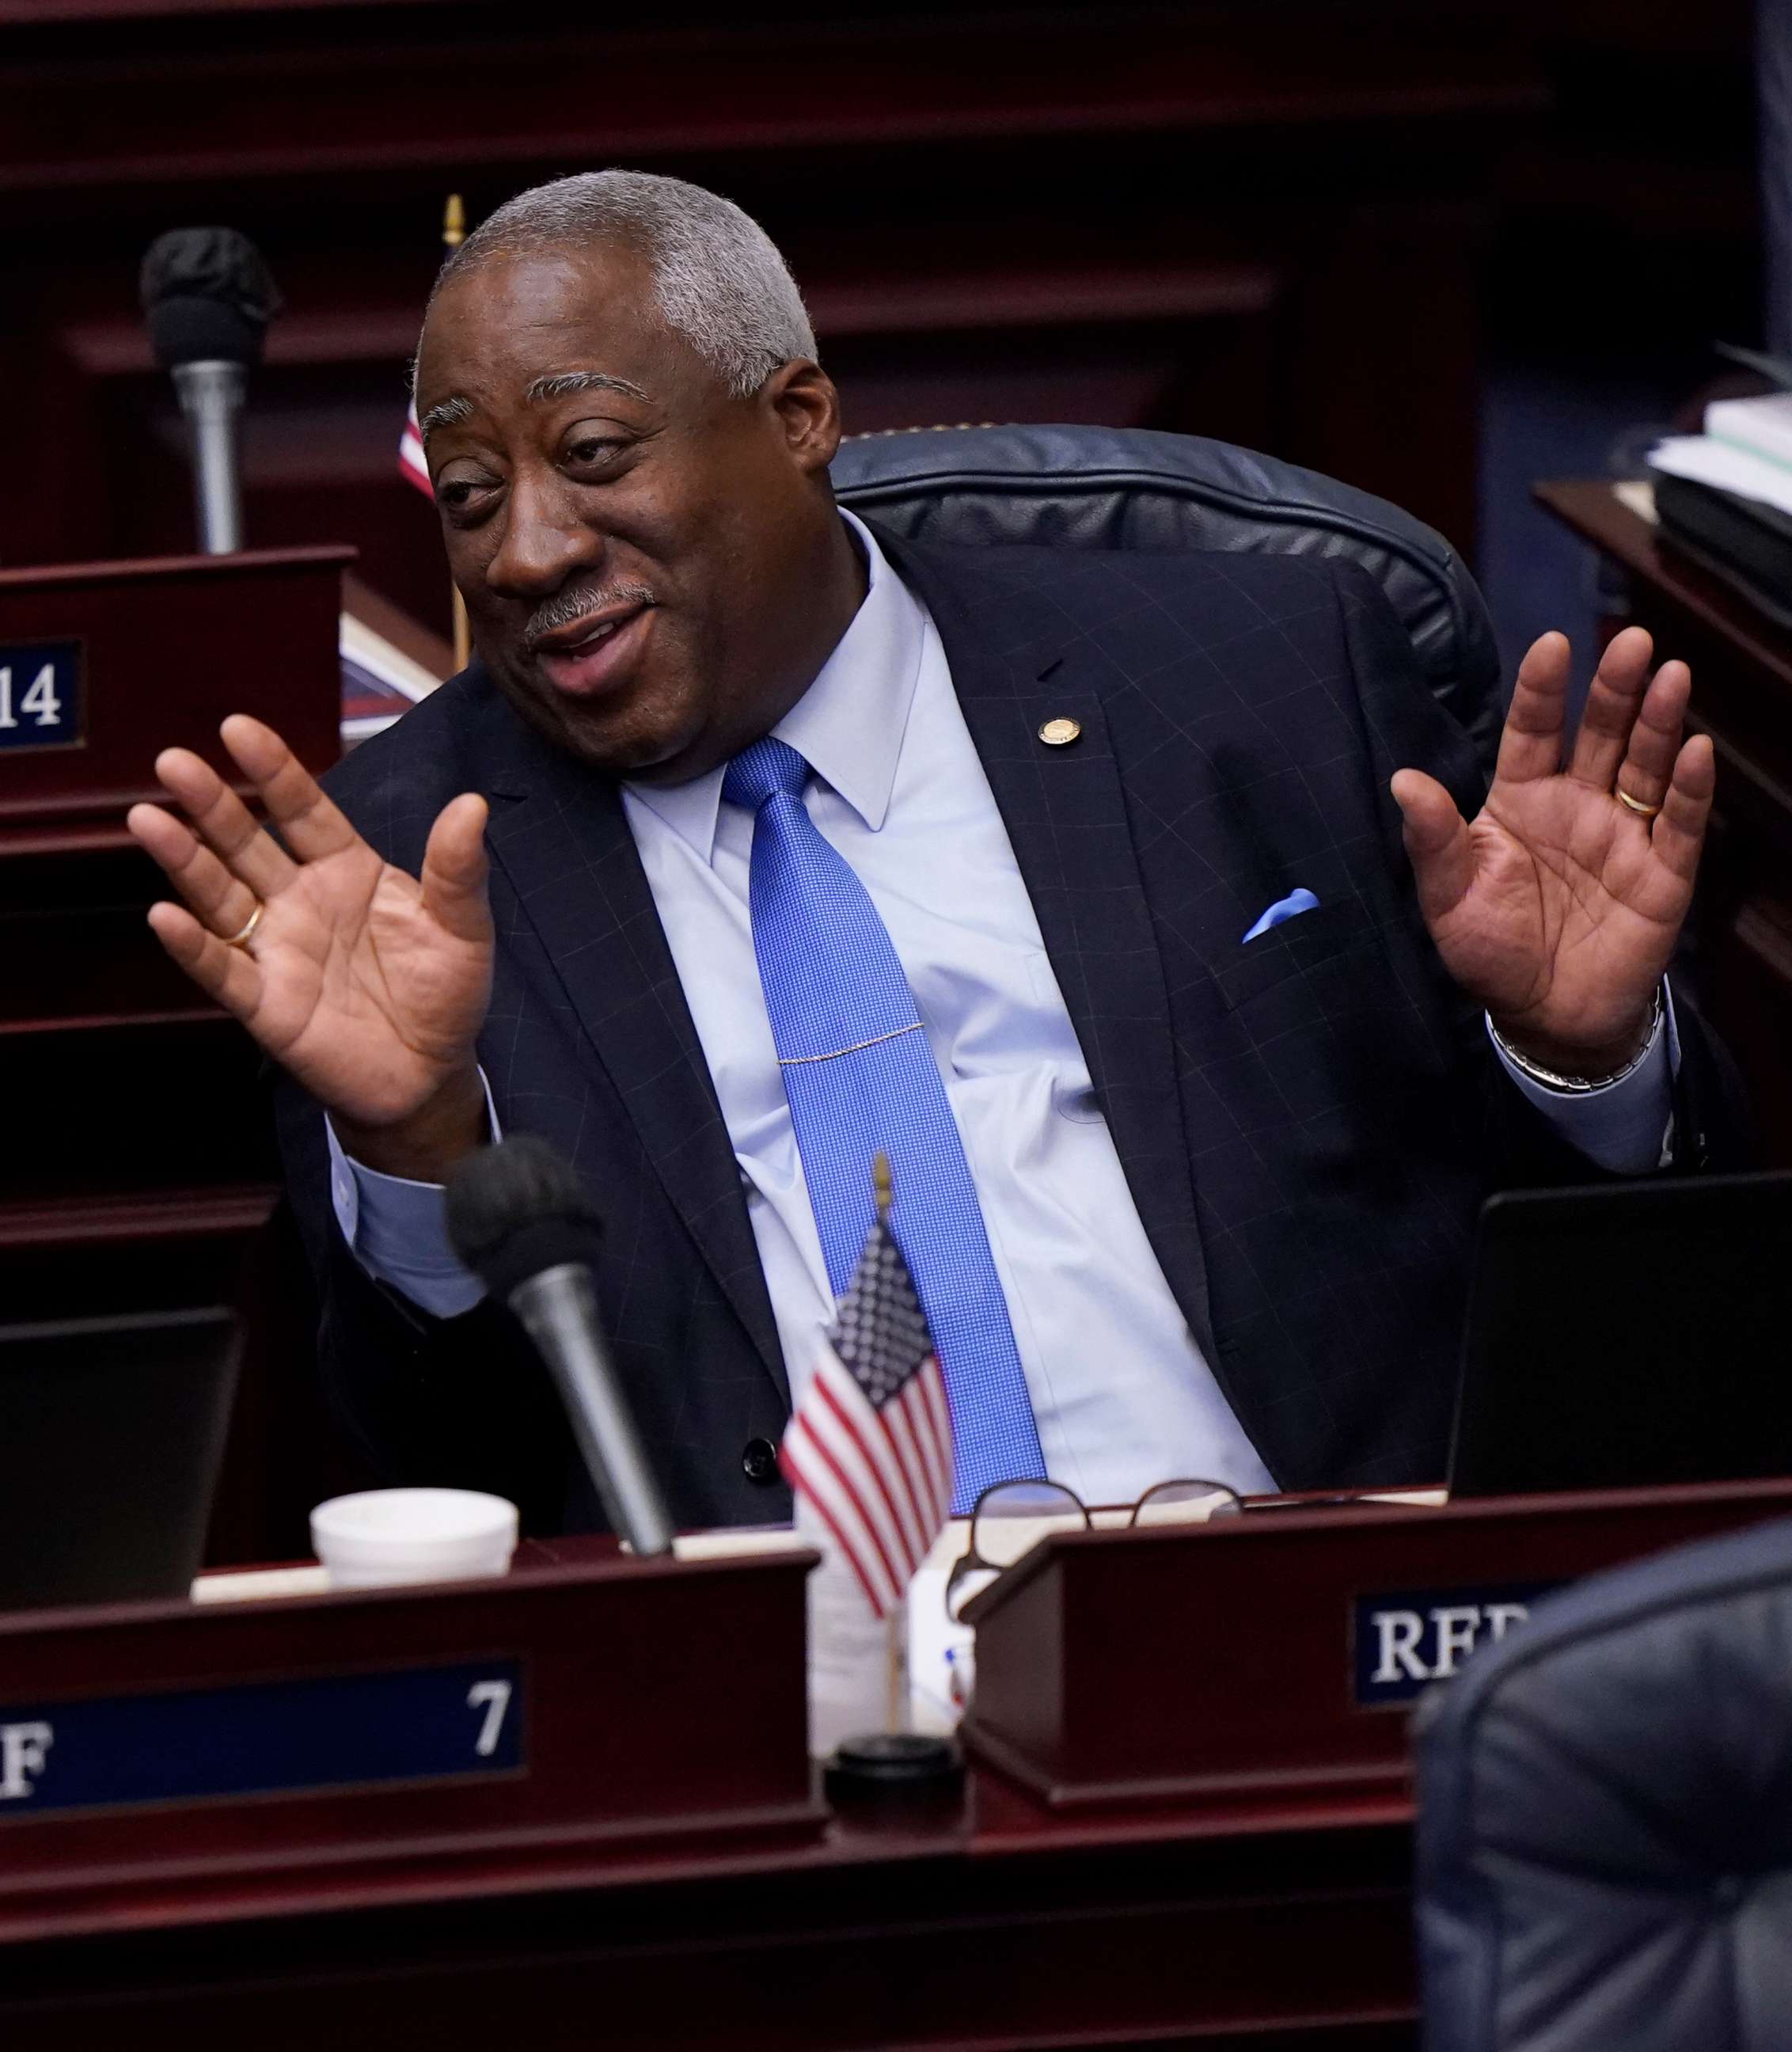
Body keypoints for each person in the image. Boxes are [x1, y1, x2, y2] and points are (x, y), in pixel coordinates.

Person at [127, 172, 1738, 1533]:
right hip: (803, 1701)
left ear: (800, 417)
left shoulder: (1254, 671)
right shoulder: (411, 860)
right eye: (473, 497)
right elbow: (440, 1470)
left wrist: (1574, 1054)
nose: (530, 549)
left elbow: (1637, 1314)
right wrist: (417, 1150)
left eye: (597, 456)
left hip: (1298, 1602)